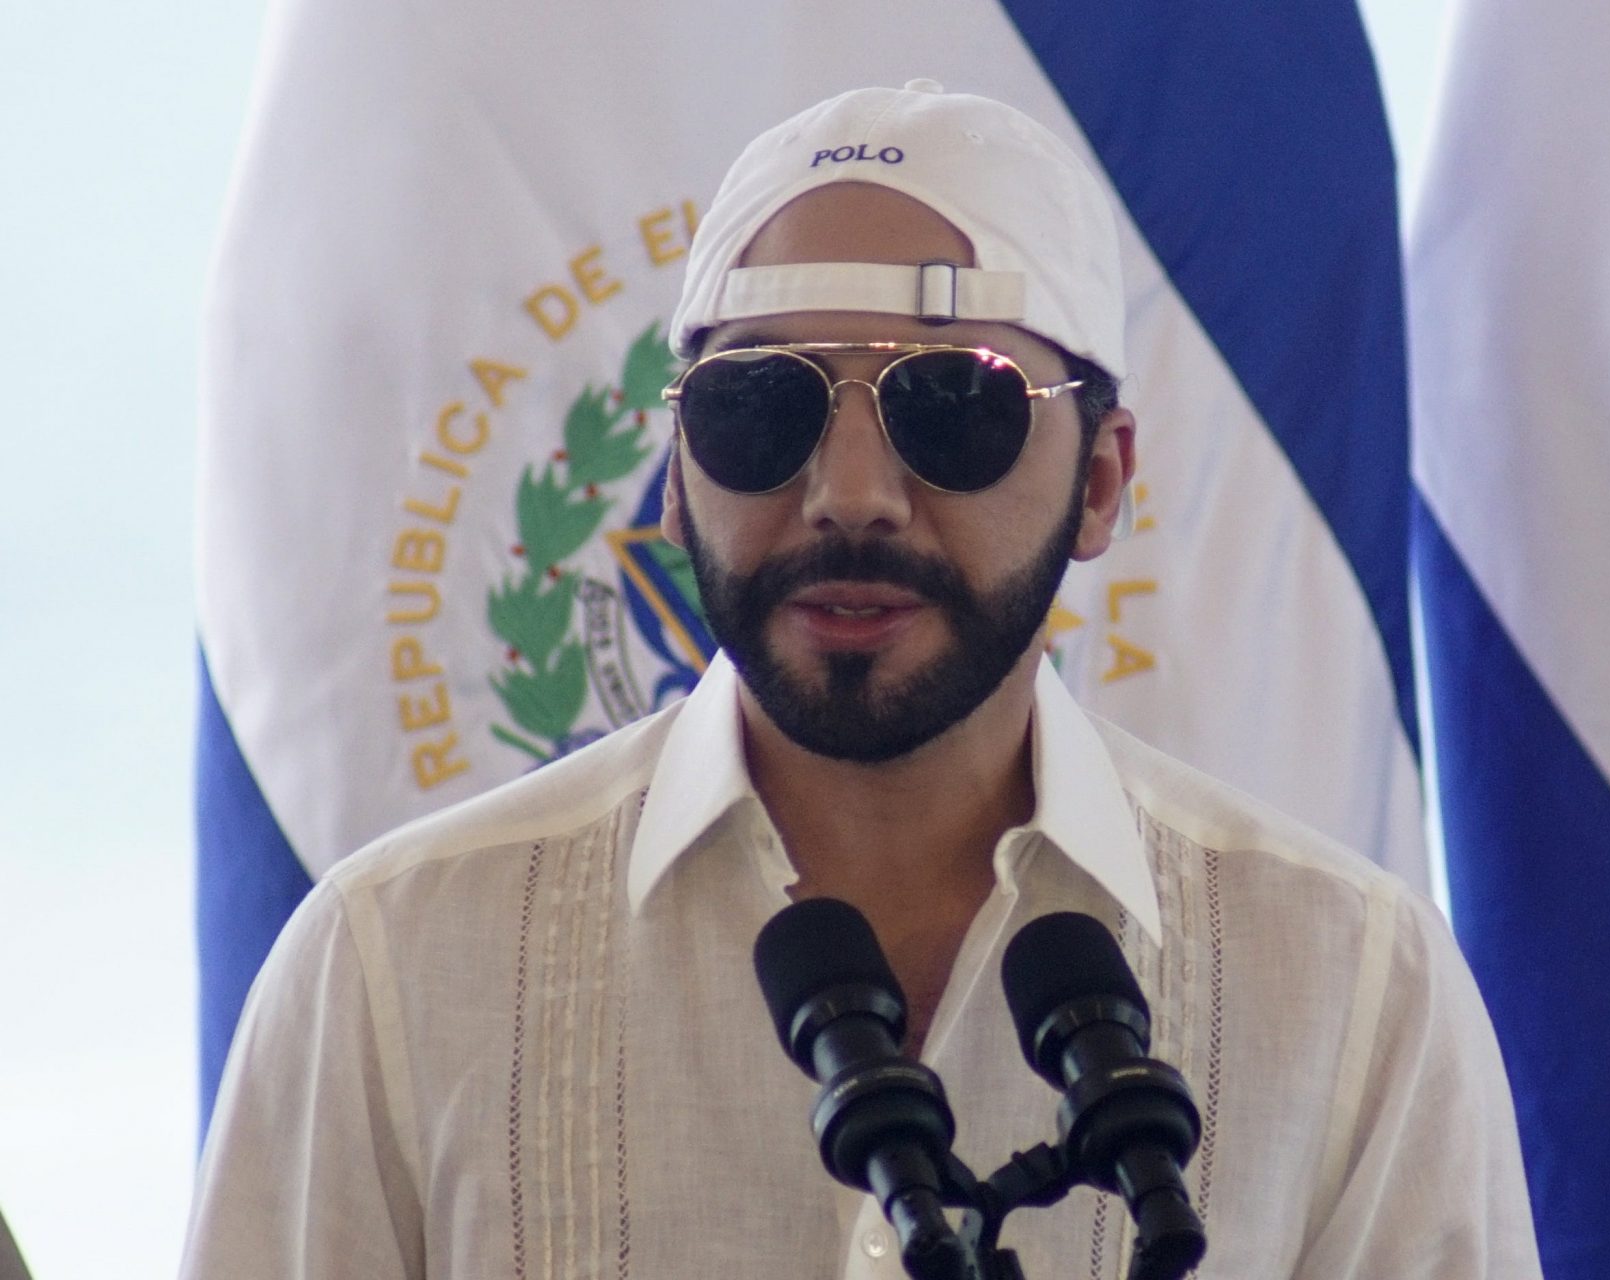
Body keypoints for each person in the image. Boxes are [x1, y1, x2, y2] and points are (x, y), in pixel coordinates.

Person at [181, 82, 1540, 1278]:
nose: (849, 495)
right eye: (762, 408)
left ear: (1105, 477)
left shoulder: (1355, 991)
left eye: (954, 404)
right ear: (674, 469)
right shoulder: (393, 971)